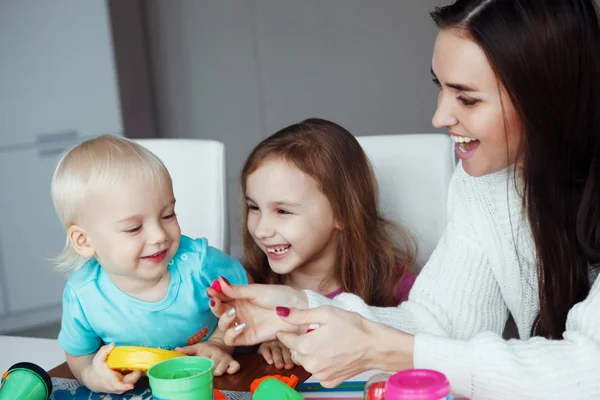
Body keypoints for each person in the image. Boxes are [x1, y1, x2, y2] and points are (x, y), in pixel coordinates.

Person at [207, 1, 600, 398]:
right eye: (440, 87)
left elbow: (589, 370)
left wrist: (389, 350)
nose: (439, 116)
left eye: (467, 99)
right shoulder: (483, 183)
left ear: (547, 99)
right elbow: (439, 323)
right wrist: (297, 307)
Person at [51, 135, 247, 394]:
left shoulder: (200, 264)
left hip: (207, 383)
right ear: (84, 241)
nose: (159, 236)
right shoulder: (83, 294)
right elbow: (79, 354)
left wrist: (221, 343)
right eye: (134, 228)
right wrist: (90, 374)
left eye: (168, 215)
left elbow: (246, 299)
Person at [239, 118, 416, 369]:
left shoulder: (393, 284)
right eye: (254, 208)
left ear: (341, 213)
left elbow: (430, 348)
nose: (261, 229)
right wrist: (260, 345)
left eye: (283, 211)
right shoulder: (251, 284)